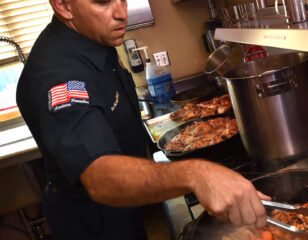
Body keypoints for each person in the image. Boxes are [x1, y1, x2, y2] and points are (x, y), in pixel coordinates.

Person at [16, 0, 270, 239]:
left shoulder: (92, 41)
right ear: (63, 5)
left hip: (122, 204)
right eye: (103, 2)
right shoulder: (59, 75)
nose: (121, 12)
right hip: (93, 221)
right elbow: (100, 176)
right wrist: (197, 175)